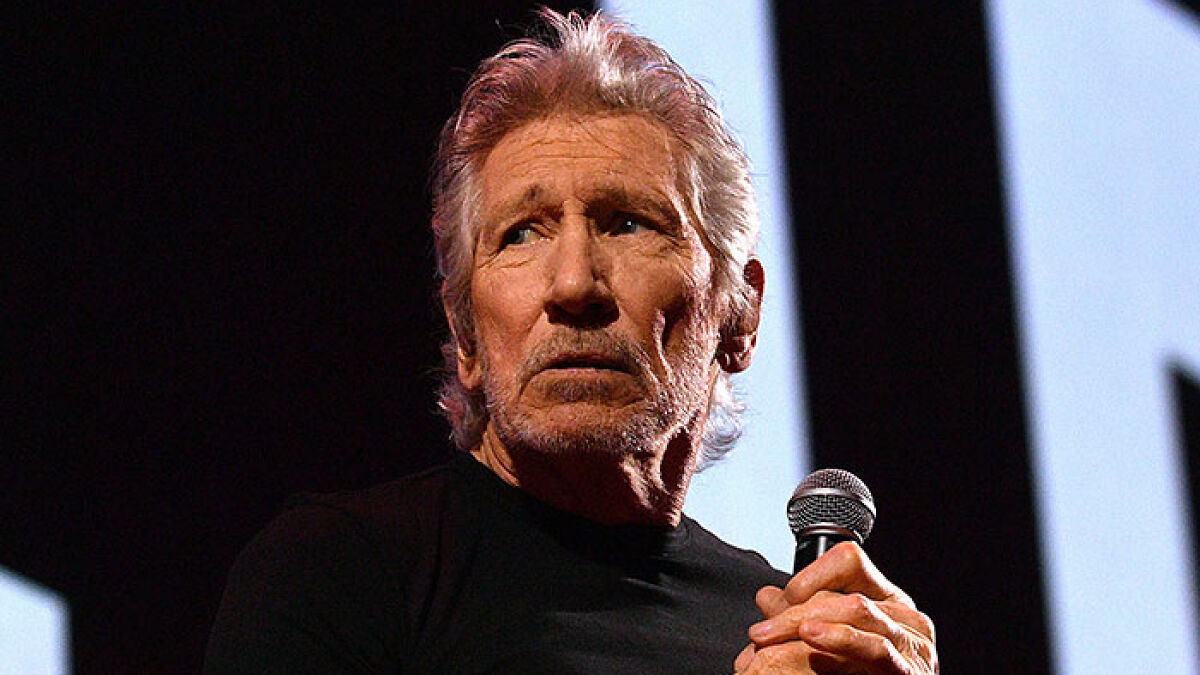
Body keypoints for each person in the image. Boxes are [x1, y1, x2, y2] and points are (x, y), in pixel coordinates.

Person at [204, 9, 937, 674]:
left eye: (628, 223)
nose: (573, 284)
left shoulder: (785, 632)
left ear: (738, 312)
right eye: (522, 233)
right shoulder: (340, 575)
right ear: (464, 329)